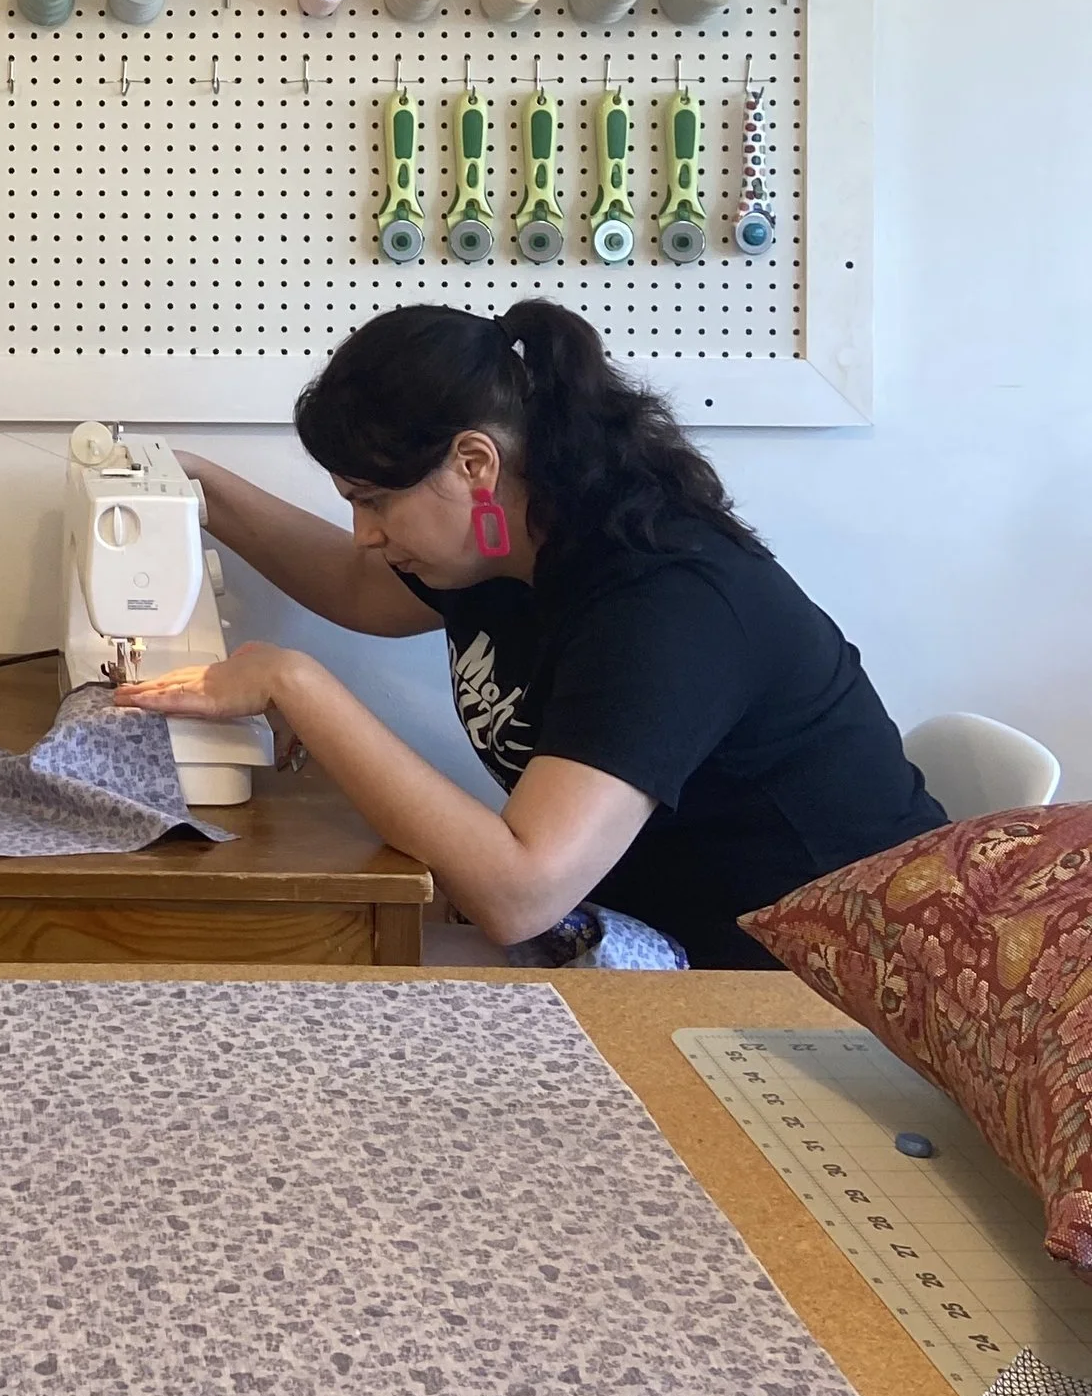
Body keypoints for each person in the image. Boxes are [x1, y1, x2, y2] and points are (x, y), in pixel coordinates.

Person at [114, 300, 941, 968]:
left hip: (822, 986)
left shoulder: (665, 604)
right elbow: (357, 586)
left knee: (336, 977)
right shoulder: (504, 549)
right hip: (663, 926)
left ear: (475, 465)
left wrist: (293, 683)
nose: (366, 532)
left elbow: (520, 891)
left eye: (373, 499)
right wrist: (201, 489)